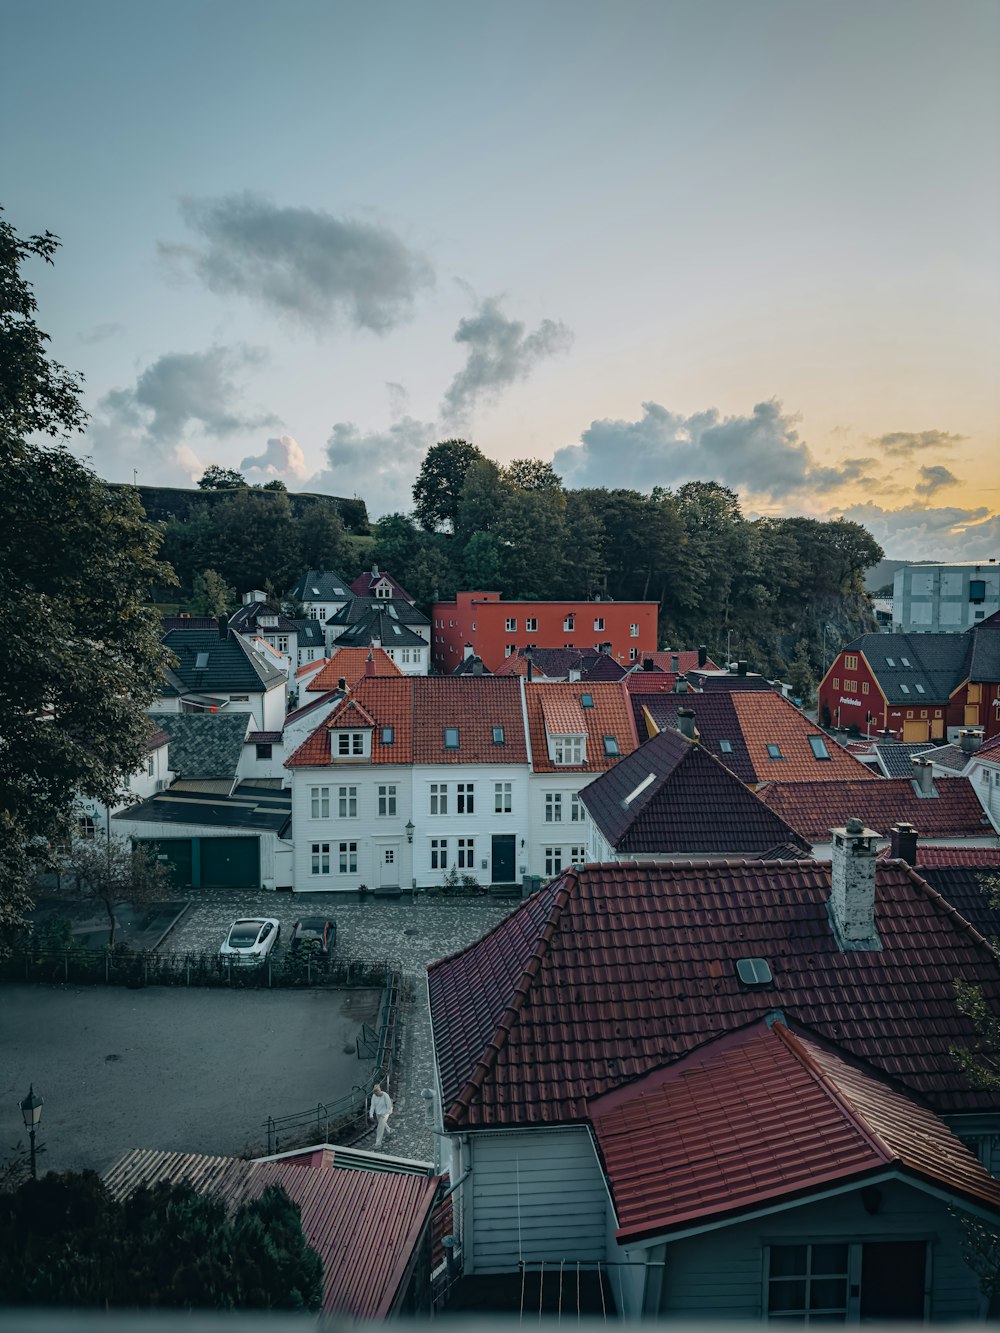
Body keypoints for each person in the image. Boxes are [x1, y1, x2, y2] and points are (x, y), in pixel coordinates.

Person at [369, 1082, 394, 1147]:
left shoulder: (385, 1096)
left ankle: (378, 1143)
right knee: (382, 1124)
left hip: (385, 1114)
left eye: (378, 1092)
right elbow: (372, 1106)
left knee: (380, 1128)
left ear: (380, 1090)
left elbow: (389, 1106)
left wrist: (386, 1114)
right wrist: (371, 1115)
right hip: (378, 1114)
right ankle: (389, 1130)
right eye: (376, 1093)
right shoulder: (374, 1096)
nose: (377, 1094)